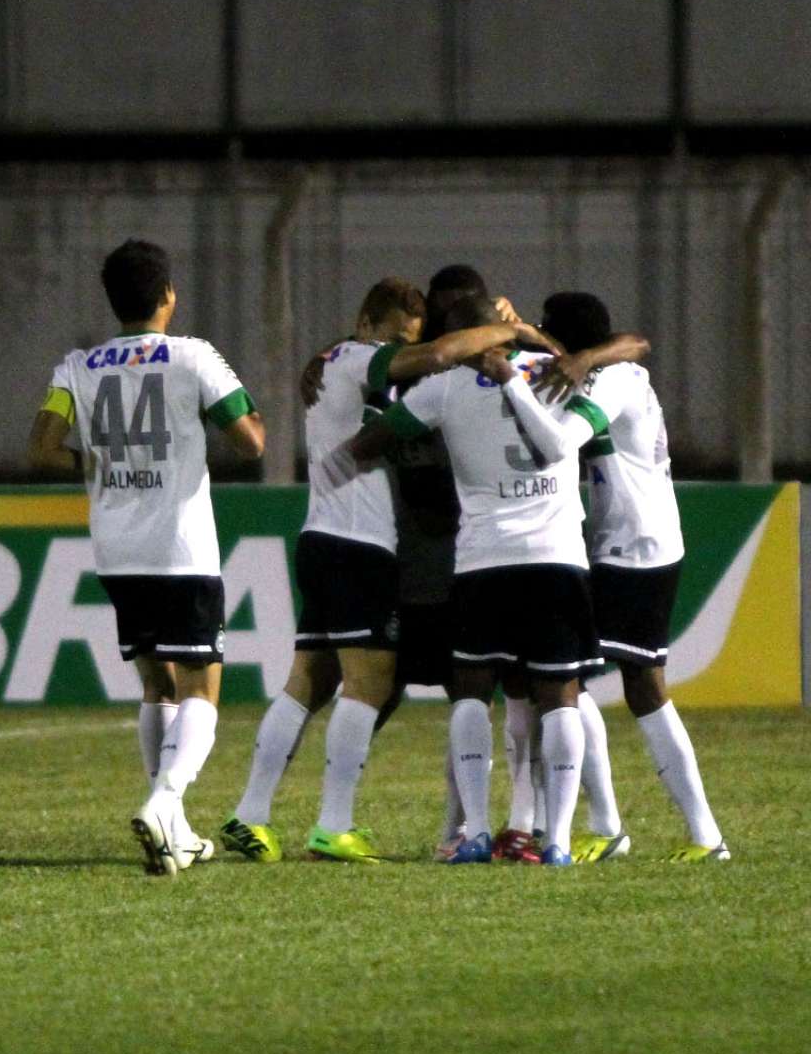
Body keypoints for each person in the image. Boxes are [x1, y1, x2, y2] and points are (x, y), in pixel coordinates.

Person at [224, 278, 563, 862]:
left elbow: (410, 360)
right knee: (371, 685)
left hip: (322, 537)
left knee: (308, 681)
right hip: (360, 546)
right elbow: (430, 357)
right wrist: (514, 329)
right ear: (367, 324)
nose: (405, 350)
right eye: (398, 337)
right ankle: (335, 824)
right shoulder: (371, 361)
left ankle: (250, 813)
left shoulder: (343, 360)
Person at [326, 296, 606, 867]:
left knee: (473, 690)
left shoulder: (442, 388)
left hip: (483, 560)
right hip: (557, 557)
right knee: (559, 698)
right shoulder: (561, 370)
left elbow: (364, 445)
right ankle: (558, 842)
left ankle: (475, 830)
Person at [27, 238, 265, 876]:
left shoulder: (76, 367)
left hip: (116, 547)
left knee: (156, 685)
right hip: (180, 546)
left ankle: (177, 833)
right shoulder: (192, 356)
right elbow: (250, 441)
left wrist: (95, 460)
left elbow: (42, 447)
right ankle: (165, 801)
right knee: (202, 687)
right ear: (167, 295)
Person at [533, 291, 729, 863]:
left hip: (634, 546)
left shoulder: (611, 382)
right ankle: (691, 834)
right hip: (634, 541)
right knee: (635, 688)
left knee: (569, 679)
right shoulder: (616, 368)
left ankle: (628, 826)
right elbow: (633, 342)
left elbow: (567, 439)